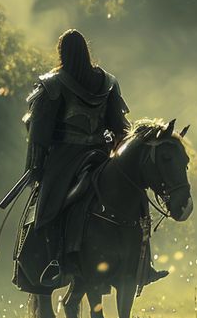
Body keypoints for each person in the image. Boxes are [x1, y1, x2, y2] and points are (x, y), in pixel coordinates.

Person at [17, 28, 166, 292]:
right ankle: (143, 267)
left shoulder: (52, 85)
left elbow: (38, 134)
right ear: (86, 50)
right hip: (101, 156)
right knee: (139, 201)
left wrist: (37, 169)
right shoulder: (107, 82)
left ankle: (53, 262)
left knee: (48, 211)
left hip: (64, 162)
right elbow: (120, 126)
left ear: (62, 52)